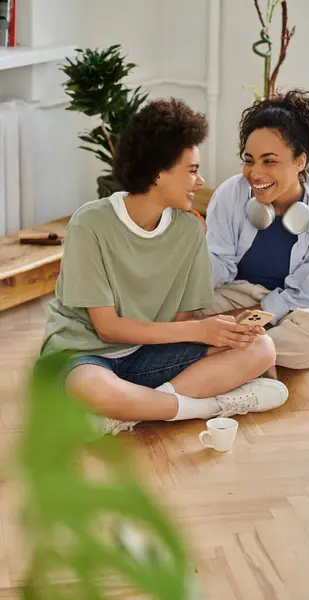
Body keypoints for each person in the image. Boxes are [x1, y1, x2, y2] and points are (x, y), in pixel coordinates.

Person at [40, 98, 289, 435]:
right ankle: (212, 407)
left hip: (148, 354)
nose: (200, 181)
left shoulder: (189, 230)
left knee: (262, 348)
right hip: (85, 356)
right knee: (91, 387)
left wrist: (226, 331)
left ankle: (131, 411)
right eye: (192, 170)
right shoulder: (90, 224)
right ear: (158, 172)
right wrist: (200, 332)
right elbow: (107, 330)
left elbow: (180, 323)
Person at [202, 89, 309, 370]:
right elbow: (216, 264)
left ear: (300, 161)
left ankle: (218, 351)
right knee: (170, 310)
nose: (255, 173)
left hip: (293, 311)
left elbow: (308, 295)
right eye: (249, 160)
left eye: (270, 161)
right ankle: (242, 354)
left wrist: (242, 321)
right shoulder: (231, 193)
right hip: (233, 295)